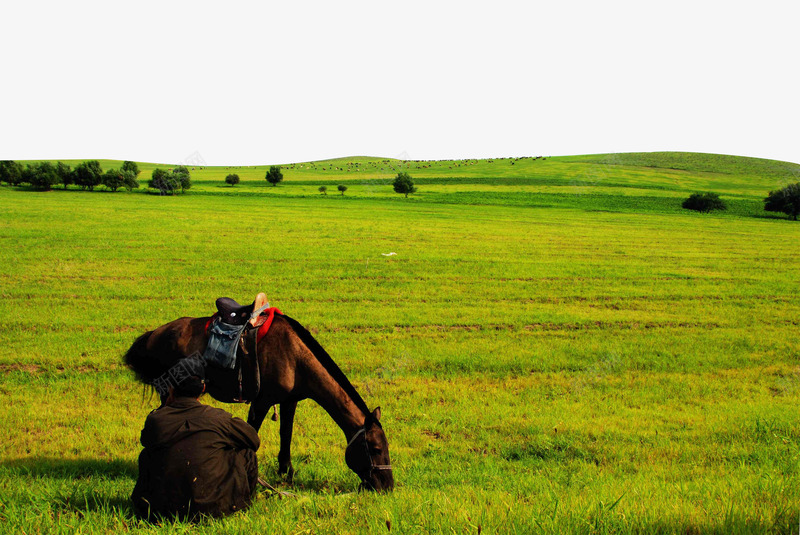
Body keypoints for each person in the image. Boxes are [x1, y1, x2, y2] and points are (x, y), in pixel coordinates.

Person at [131, 362, 260, 521]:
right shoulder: (219, 418)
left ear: (170, 388)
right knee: (246, 454)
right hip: (215, 510)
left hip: (161, 510)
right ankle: (244, 503)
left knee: (147, 454)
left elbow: (147, 440)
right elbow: (253, 440)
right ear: (203, 389)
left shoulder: (155, 420)